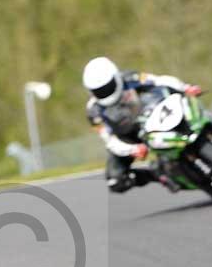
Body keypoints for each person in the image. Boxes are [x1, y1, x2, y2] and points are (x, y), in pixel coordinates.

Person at [82, 56, 202, 193]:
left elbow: (159, 80)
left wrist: (185, 88)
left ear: (116, 77)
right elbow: (109, 140)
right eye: (99, 90)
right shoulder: (93, 111)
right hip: (128, 136)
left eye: (107, 87)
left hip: (151, 115)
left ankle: (196, 132)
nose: (104, 92)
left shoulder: (130, 77)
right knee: (115, 181)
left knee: (179, 102)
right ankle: (157, 174)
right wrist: (132, 149)